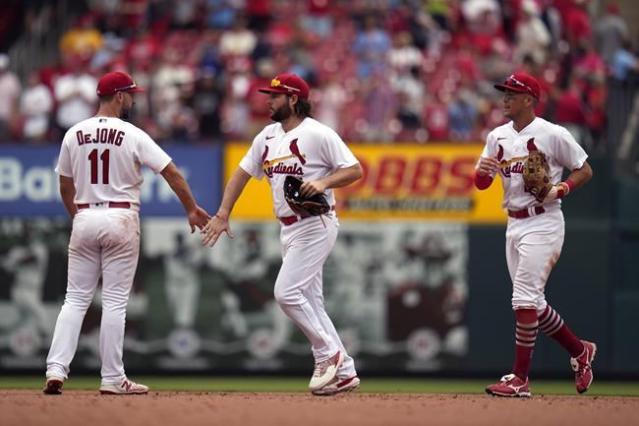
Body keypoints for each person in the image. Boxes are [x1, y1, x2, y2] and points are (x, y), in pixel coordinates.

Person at [43, 71, 210, 395]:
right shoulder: (131, 133)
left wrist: (79, 217)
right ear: (119, 96)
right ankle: (111, 377)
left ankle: (56, 369)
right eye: (130, 93)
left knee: (75, 299)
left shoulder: (73, 133)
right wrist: (190, 207)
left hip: (86, 214)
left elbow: (65, 185)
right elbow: (171, 172)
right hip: (120, 215)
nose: (133, 98)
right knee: (115, 302)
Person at [202, 73, 363, 396]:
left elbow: (354, 169)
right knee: (312, 302)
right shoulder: (266, 136)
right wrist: (222, 213)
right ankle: (344, 371)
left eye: (275, 96)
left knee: (286, 293)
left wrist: (323, 182)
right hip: (288, 228)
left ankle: (326, 353)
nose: (268, 100)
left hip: (315, 223)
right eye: (268, 95)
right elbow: (241, 175)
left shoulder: (318, 134)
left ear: (293, 99)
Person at [475, 71, 595, 397]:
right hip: (513, 222)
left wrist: (561, 189)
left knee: (523, 299)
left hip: (544, 220)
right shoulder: (496, 136)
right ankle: (580, 352)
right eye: (505, 92)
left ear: (529, 100)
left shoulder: (552, 134)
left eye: (512, 93)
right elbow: (482, 182)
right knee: (534, 304)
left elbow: (584, 168)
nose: (505, 98)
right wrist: (482, 173)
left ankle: (520, 379)